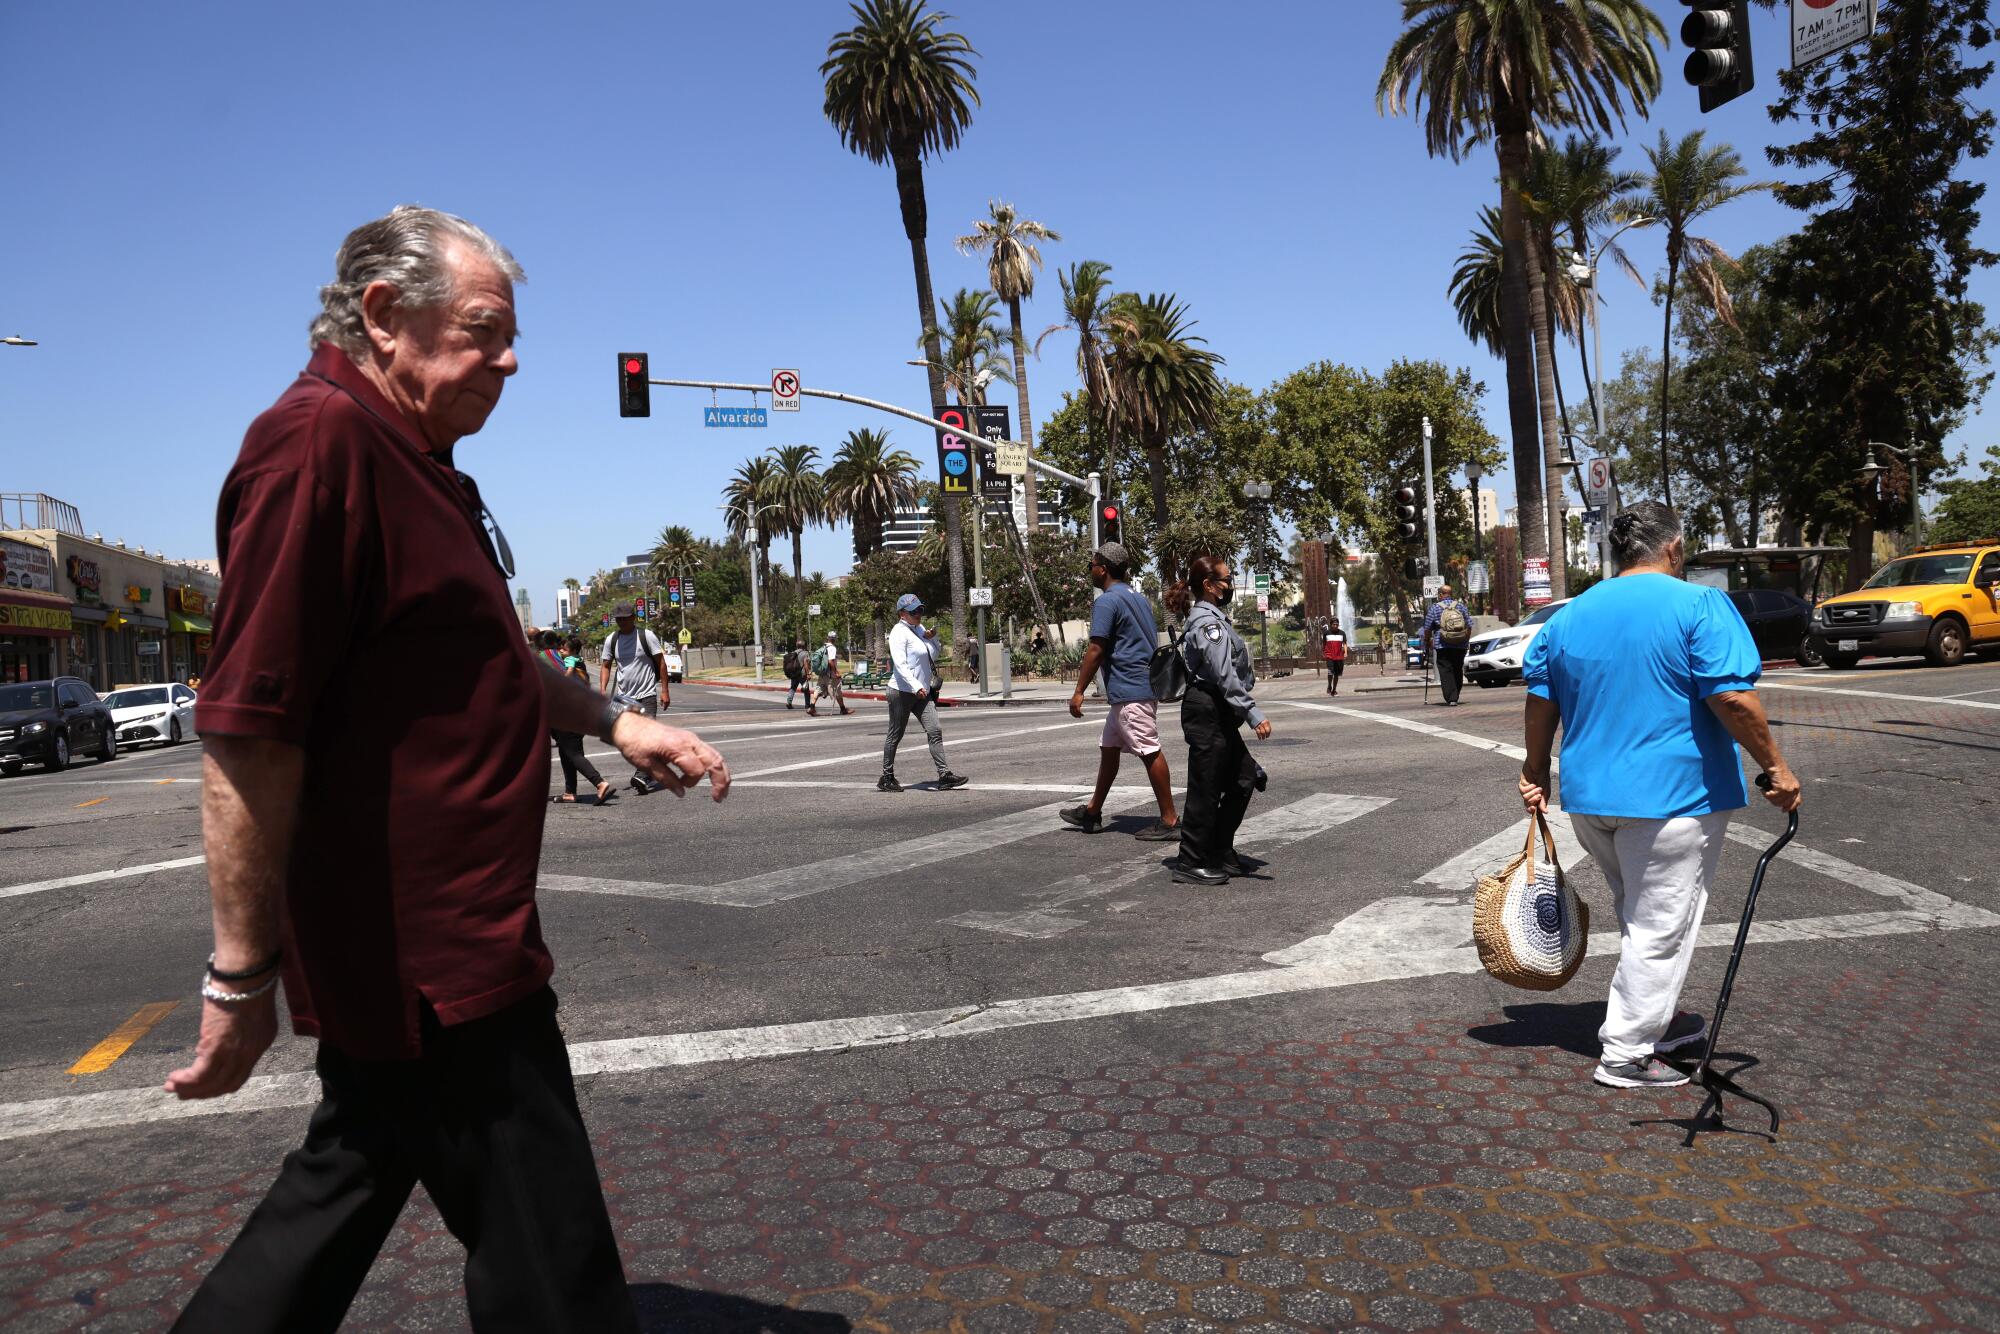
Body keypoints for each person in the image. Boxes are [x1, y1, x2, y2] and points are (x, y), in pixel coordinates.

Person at [167, 206, 731, 1334]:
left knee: (342, 1192)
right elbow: (248, 730)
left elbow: (491, 660)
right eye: (483, 330)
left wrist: (619, 723)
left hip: (436, 957)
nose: (511, 358)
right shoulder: (316, 444)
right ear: (383, 317)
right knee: (554, 1263)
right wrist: (240, 977)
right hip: (434, 966)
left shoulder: (414, 460)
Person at [1519, 501, 1802, 1091]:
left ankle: (1659, 1018)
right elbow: (1732, 698)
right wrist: (1775, 765)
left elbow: (1541, 700)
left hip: (1592, 798)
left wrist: (1535, 768)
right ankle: (1625, 1053)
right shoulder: (1698, 604)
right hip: (1672, 797)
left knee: (1639, 915)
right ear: (1674, 549)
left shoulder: (1569, 616)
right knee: (1661, 926)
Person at [1061, 542, 1178, 841]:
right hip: (1138, 686)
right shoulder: (1138, 598)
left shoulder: (1106, 601)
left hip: (1130, 689)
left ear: (1103, 568)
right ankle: (1092, 812)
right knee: (1109, 749)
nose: (1090, 569)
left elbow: (1096, 648)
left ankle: (1170, 820)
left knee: (1149, 749)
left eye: (1092, 564)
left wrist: (1078, 691)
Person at [1164, 556, 1270, 885]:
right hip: (1206, 708)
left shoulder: (1215, 618)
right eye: (1225, 579)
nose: (1230, 584)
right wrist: (1252, 713)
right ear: (1209, 586)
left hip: (1219, 710)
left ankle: (1220, 849)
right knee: (1205, 788)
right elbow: (1224, 674)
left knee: (1245, 778)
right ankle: (1191, 860)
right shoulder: (1207, 623)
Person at [879, 593, 966, 792]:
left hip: (922, 693)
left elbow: (932, 655)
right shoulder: (898, 633)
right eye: (913, 611)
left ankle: (944, 775)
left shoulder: (918, 629)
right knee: (895, 734)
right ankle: (887, 777)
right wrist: (915, 686)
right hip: (901, 691)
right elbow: (900, 665)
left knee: (934, 729)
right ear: (902, 614)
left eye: (920, 609)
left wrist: (932, 638)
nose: (918, 614)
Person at [599, 602, 669, 793]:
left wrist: (664, 690)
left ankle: (641, 775)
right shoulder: (611, 640)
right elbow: (605, 666)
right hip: (623, 699)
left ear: (633, 618)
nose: (621, 621)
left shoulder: (646, 636)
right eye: (618, 619)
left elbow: (660, 663)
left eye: (625, 618)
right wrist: (603, 691)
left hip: (646, 694)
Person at [547, 634, 614, 806]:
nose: (561, 651)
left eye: (564, 648)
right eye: (560, 648)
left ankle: (599, 782)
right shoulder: (580, 665)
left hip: (568, 716)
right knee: (566, 752)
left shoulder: (570, 665)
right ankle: (570, 792)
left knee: (573, 753)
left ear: (573, 651)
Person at [1421, 584, 1474, 705]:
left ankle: (1451, 697)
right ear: (1451, 594)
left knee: (1445, 670)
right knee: (1457, 669)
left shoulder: (1434, 608)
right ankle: (1455, 694)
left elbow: (1428, 627)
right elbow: (1469, 625)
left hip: (1442, 645)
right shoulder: (1461, 606)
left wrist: (1427, 640)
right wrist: (1465, 639)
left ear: (1440, 595)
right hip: (1460, 644)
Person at [813, 630, 852, 716]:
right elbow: (831, 661)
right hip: (830, 675)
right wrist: (836, 672)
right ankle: (843, 709)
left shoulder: (824, 647)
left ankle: (811, 707)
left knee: (818, 689)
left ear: (828, 638)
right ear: (834, 639)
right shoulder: (832, 648)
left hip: (822, 673)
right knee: (837, 691)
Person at [782, 638, 811, 710]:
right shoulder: (805, 653)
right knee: (806, 690)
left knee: (793, 688)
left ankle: (789, 702)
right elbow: (806, 664)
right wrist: (808, 673)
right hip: (802, 675)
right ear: (804, 646)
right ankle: (807, 705)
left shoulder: (793, 653)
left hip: (794, 674)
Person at [1321, 621, 1348, 696]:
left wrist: (1345, 652)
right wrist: (1323, 653)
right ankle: (1329, 686)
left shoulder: (1342, 633)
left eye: (1337, 624)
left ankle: (1334, 690)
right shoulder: (1326, 633)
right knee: (1330, 672)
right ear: (1331, 625)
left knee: (1336, 674)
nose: (1335, 626)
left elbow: (1345, 643)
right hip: (1329, 656)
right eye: (1334, 624)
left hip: (1339, 656)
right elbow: (1324, 644)